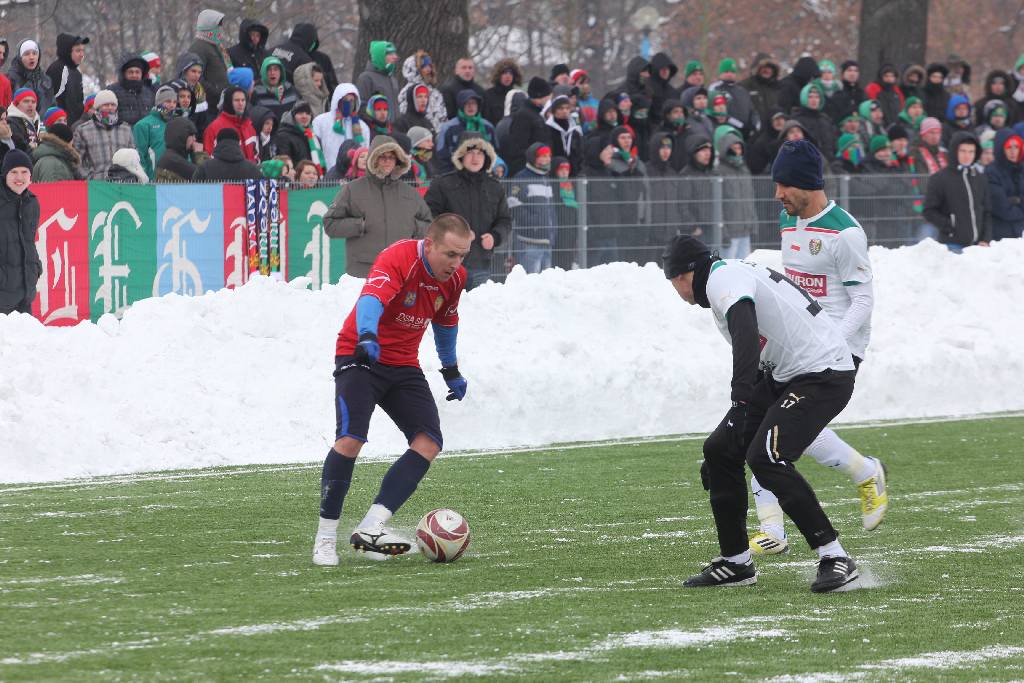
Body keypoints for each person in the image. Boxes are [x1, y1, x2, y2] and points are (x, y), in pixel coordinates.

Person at [663, 234, 861, 593]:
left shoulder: (721, 280)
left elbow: (745, 335)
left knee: (767, 456)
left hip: (823, 373)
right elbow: (760, 349)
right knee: (720, 450)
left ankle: (835, 556)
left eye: (673, 282)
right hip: (788, 374)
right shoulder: (727, 275)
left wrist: (740, 404)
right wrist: (734, 426)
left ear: (681, 276)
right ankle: (736, 562)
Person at [745, 139, 889, 555]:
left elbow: (863, 300)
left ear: (808, 184)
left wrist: (830, 342)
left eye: (784, 185)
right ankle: (778, 526)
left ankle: (860, 475)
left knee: (776, 434)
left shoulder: (845, 233)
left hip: (837, 354)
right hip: (799, 348)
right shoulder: (788, 222)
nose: (778, 194)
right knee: (772, 431)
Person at [311, 213, 472, 565]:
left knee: (428, 442)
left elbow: (446, 324)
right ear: (430, 244)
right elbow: (372, 299)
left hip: (402, 364)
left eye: (462, 255)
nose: (456, 263)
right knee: (350, 439)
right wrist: (367, 335)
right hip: (360, 354)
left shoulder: (455, 279)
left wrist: (451, 370)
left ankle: (371, 527)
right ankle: (325, 539)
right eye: (450, 254)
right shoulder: (400, 257)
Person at [323, 134, 432, 276]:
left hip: (401, 271)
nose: (387, 161)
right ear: (373, 158)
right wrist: (360, 225)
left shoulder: (410, 193)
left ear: (398, 160)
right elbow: (330, 224)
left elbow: (430, 227)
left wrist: (413, 227)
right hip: (363, 273)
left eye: (391, 157)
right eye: (382, 156)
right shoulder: (352, 189)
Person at [425, 131, 510, 289]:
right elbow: (429, 216)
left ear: (487, 157)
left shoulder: (495, 187)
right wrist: (455, 232)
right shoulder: (442, 184)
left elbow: (505, 220)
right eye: (470, 152)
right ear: (461, 155)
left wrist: (495, 236)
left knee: (478, 305)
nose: (475, 158)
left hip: (481, 265)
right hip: (447, 264)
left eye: (480, 153)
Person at [923, 131, 991, 252]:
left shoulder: (980, 178)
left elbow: (987, 211)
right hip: (952, 245)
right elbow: (929, 210)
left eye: (971, 151)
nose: (967, 156)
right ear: (955, 151)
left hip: (978, 247)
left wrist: (985, 238)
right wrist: (950, 226)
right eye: (963, 151)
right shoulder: (940, 178)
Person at [0, 149, 41, 315]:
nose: (19, 177)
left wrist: (36, 267)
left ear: (30, 176)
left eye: (24, 172)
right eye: (14, 172)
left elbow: (29, 242)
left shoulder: (32, 203)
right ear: (5, 175)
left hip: (25, 296)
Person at [509, 142, 557, 272]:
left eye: (549, 156)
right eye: (543, 156)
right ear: (533, 157)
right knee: (531, 280)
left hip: (547, 239)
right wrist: (533, 223)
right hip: (529, 241)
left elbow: (550, 209)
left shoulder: (546, 179)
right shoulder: (522, 177)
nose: (547, 159)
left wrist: (553, 229)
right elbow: (513, 203)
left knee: (546, 280)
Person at [713, 125, 756, 259]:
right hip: (730, 232)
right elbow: (717, 204)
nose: (738, 151)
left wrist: (753, 225)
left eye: (739, 148)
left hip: (745, 230)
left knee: (744, 265)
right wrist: (722, 231)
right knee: (728, 266)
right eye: (734, 148)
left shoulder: (744, 169)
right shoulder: (718, 171)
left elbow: (750, 198)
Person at [72, 89, 136, 179]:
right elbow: (77, 161)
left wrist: (131, 176)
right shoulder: (83, 130)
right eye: (106, 105)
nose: (110, 108)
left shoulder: (125, 129)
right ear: (98, 107)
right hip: (97, 183)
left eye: (113, 105)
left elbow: (134, 158)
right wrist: (88, 178)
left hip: (123, 182)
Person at [313, 83, 370, 173]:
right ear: (338, 100)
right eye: (345, 100)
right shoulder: (321, 121)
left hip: (354, 174)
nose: (348, 103)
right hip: (329, 173)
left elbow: (365, 150)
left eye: (351, 100)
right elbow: (316, 149)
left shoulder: (362, 127)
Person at [501, 76, 551, 176]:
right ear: (540, 95)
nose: (548, 99)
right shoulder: (524, 116)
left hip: (538, 167)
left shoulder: (536, 114)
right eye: (547, 96)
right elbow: (518, 147)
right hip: (527, 170)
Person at [187, 9, 233, 115]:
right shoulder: (198, 48)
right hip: (209, 106)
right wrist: (217, 93)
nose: (220, 29)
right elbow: (197, 78)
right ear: (209, 26)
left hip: (220, 104)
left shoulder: (216, 45)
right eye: (217, 26)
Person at [985, 128, 1024, 240]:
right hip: (1001, 236)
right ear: (1000, 149)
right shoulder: (991, 172)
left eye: (1016, 147)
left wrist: (1016, 201)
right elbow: (1002, 208)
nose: (1013, 151)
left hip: (1021, 233)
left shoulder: (1021, 169)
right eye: (1009, 147)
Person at [133, 85, 178, 179]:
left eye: (174, 102)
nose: (172, 105)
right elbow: (140, 156)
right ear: (158, 102)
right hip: (154, 179)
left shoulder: (178, 123)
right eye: (168, 101)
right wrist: (145, 178)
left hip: (176, 178)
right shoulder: (143, 125)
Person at [203, 86, 258, 161]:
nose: (241, 103)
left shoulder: (249, 126)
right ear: (229, 102)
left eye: (243, 100)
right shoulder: (214, 128)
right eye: (236, 100)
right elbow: (209, 160)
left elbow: (256, 156)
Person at [397, 50, 446, 133]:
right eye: (424, 66)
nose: (428, 69)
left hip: (434, 135)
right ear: (415, 69)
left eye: (429, 66)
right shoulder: (407, 92)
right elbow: (403, 115)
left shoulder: (435, 93)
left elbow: (442, 117)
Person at [46, 34, 89, 125]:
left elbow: (77, 104)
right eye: (78, 51)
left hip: (75, 126)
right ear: (67, 51)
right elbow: (50, 102)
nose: (82, 54)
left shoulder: (76, 73)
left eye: (83, 50)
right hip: (61, 126)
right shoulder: (58, 69)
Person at [192, 127, 262, 181]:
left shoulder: (205, 168)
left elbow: (194, 191)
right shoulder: (252, 169)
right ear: (238, 143)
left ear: (217, 143)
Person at [106, 52, 156, 126]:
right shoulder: (112, 91)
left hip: (146, 131)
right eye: (130, 72)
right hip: (122, 131)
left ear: (142, 74)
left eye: (137, 72)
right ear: (124, 74)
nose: (134, 75)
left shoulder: (150, 92)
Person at [273, 100, 325, 171]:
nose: (304, 116)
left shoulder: (313, 136)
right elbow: (284, 164)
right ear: (293, 116)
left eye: (307, 113)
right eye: (300, 113)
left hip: (313, 175)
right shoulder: (283, 136)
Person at [356, 41, 400, 122]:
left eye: (394, 53)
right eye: (390, 54)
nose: (395, 57)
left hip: (393, 128)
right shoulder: (366, 78)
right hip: (375, 128)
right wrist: (377, 124)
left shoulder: (393, 79)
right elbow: (361, 107)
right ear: (380, 56)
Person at [155, 116, 208, 182]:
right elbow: (206, 176)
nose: (194, 139)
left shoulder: (171, 156)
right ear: (182, 136)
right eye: (192, 135)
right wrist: (199, 154)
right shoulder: (173, 160)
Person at [7, 40, 53, 112]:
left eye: (34, 53)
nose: (31, 57)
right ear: (20, 57)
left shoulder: (46, 81)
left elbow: (52, 106)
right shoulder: (11, 79)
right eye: (26, 54)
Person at [483, 58, 522, 127]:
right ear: (498, 75)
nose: (508, 76)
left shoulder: (517, 96)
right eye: (504, 73)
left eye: (511, 73)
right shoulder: (488, 95)